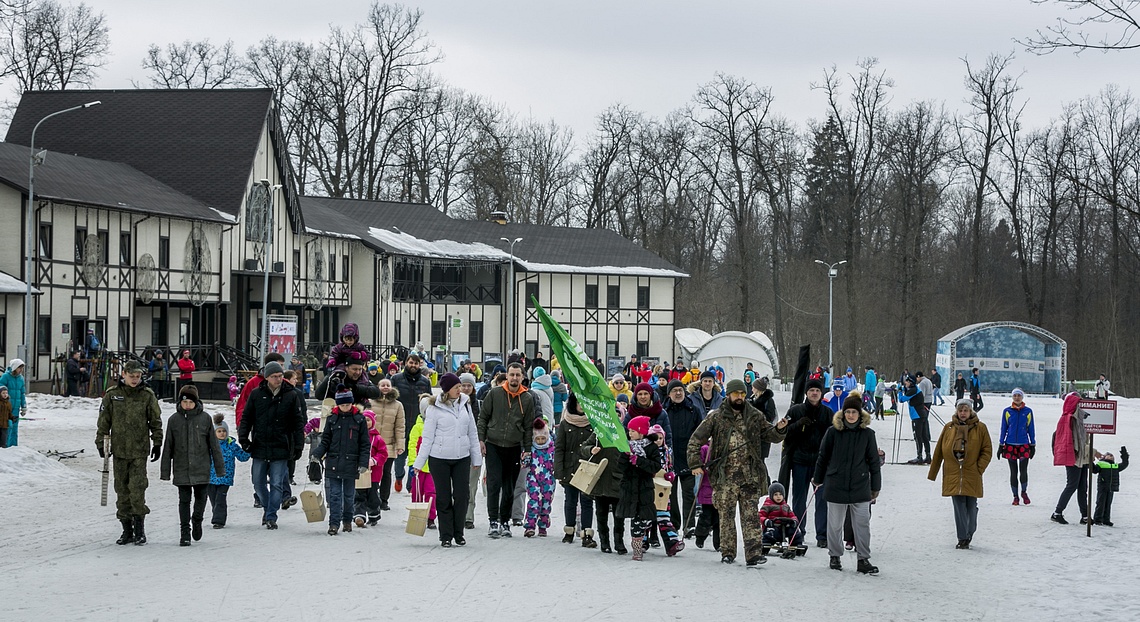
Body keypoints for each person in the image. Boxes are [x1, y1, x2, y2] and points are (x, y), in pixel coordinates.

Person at [688, 378, 788, 565]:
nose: (740, 397)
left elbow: (770, 435)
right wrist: (695, 464)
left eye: (743, 393)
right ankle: (728, 552)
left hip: (749, 476)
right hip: (724, 477)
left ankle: (753, 554)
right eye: (736, 393)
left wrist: (781, 429)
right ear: (729, 394)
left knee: (750, 516)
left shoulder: (755, 415)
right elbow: (695, 440)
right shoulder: (716, 417)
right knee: (726, 517)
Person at [95, 360, 164, 545]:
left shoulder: (147, 395)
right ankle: (126, 529)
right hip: (119, 450)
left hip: (139, 451)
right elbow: (104, 421)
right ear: (123, 374)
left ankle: (140, 529)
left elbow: (155, 420)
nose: (135, 380)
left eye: (138, 376)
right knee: (121, 490)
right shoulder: (112, 395)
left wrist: (157, 442)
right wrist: (101, 442)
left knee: (137, 489)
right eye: (131, 376)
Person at [813, 393, 881, 574]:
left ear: (860, 414)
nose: (851, 415)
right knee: (834, 524)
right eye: (848, 411)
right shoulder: (833, 432)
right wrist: (818, 479)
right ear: (843, 413)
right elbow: (823, 457)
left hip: (860, 485)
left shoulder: (868, 434)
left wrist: (876, 486)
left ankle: (863, 559)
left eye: (854, 412)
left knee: (862, 524)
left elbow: (874, 461)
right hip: (836, 484)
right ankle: (834, 556)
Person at [413, 373, 482, 547]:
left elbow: (472, 433)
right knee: (443, 498)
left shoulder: (465, 404)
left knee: (462, 496)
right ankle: (445, 535)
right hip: (439, 458)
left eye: (460, 386)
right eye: (456, 387)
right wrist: (419, 463)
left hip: (462, 457)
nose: (460, 389)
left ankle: (459, 533)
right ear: (447, 390)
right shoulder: (434, 408)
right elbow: (427, 438)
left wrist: (476, 459)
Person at [238, 361, 306, 530]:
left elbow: (298, 423)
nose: (278, 379)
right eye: (275, 376)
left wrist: (298, 446)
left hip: (281, 446)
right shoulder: (256, 394)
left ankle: (271, 515)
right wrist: (243, 438)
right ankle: (268, 507)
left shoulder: (291, 395)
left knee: (276, 483)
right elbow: (247, 418)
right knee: (257, 482)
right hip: (260, 444)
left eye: (281, 376)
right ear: (267, 377)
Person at [160, 385, 225, 546]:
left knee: (201, 498)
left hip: (201, 466)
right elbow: (168, 446)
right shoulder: (174, 420)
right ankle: (185, 531)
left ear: (196, 402)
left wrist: (219, 467)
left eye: (191, 402)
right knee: (184, 500)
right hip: (182, 467)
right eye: (185, 402)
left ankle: (197, 519)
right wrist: (165, 471)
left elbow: (214, 445)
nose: (187, 405)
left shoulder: (205, 418)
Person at [477, 363, 537, 538]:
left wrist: (527, 449)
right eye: (512, 375)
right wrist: (481, 439)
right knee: (494, 483)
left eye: (518, 375)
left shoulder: (527, 398)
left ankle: (505, 520)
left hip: (514, 447)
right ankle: (493, 520)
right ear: (507, 376)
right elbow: (483, 418)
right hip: (493, 444)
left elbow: (528, 426)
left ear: (523, 377)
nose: (514, 378)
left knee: (509, 487)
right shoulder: (495, 394)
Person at [928, 398, 992, 549]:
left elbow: (987, 450)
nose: (963, 413)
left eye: (966, 410)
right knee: (958, 506)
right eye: (960, 410)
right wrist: (933, 472)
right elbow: (939, 451)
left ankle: (969, 532)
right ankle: (962, 538)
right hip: (953, 472)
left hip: (971, 472)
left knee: (971, 506)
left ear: (971, 412)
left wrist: (979, 468)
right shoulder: (949, 428)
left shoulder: (980, 428)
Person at [311, 386, 371, 535]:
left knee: (349, 495)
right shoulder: (332, 419)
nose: (346, 407)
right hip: (334, 462)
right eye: (343, 405)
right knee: (335, 495)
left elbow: (364, 444)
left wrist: (363, 463)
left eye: (348, 404)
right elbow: (325, 441)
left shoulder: (359, 419)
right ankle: (334, 523)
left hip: (352, 463)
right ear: (338, 405)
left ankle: (347, 520)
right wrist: (317, 454)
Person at [781, 377, 832, 547]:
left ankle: (822, 535)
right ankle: (798, 531)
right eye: (811, 390)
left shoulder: (828, 413)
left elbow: (833, 437)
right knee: (799, 498)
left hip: (820, 463)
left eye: (817, 391)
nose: (815, 393)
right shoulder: (795, 411)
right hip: (799, 461)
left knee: (822, 499)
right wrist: (797, 425)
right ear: (806, 393)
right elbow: (783, 432)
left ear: (821, 393)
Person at [618, 416, 674, 561]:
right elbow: (620, 467)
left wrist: (639, 461)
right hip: (630, 488)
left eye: (633, 431)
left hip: (645, 488)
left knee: (644, 519)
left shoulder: (651, 447)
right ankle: (637, 550)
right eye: (629, 431)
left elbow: (655, 466)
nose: (630, 433)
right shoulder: (627, 446)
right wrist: (625, 457)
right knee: (635, 521)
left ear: (641, 431)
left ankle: (643, 539)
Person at [1051, 392, 1102, 525]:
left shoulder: (1080, 418)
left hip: (1083, 458)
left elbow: (1084, 441)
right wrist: (1094, 452)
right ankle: (1057, 512)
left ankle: (1085, 516)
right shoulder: (1070, 420)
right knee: (1072, 485)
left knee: (1082, 487)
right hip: (1073, 457)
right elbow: (1076, 444)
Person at [554, 392, 597, 548]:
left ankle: (586, 533)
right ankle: (569, 530)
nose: (581, 406)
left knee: (587, 501)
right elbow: (559, 448)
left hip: (587, 468)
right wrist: (558, 470)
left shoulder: (593, 423)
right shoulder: (566, 423)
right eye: (578, 402)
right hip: (569, 468)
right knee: (570, 501)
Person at [580, 423, 628, 554]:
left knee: (619, 516)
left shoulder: (623, 432)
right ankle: (604, 542)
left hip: (617, 480)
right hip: (600, 480)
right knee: (601, 514)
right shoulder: (599, 432)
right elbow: (583, 447)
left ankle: (619, 542)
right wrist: (591, 449)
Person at [665, 379, 704, 536]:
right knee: (671, 495)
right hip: (670, 459)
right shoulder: (664, 411)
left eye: (680, 390)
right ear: (669, 394)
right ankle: (674, 524)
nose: (678, 393)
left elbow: (701, 433)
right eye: (674, 391)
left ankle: (689, 525)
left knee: (689, 493)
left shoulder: (693, 410)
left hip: (689, 458)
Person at [390, 353, 432, 491]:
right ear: (405, 363)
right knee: (400, 454)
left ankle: (411, 483)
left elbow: (429, 402)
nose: (413, 365)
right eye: (411, 363)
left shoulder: (425, 382)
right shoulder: (396, 379)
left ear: (420, 364)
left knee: (415, 453)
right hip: (400, 423)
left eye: (416, 363)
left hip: (418, 423)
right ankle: (399, 477)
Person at [207, 414, 249, 529]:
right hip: (210, 478)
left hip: (225, 478)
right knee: (214, 499)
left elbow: (243, 457)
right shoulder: (210, 446)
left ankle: (218, 521)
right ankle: (217, 515)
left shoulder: (232, 445)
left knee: (220, 499)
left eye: (224, 431)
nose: (222, 433)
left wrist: (249, 449)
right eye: (219, 431)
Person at [370, 378, 405, 511]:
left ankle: (384, 500)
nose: (385, 387)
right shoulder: (371, 402)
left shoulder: (398, 405)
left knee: (386, 472)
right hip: (372, 444)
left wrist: (400, 444)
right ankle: (372, 497)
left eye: (387, 385)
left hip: (388, 445)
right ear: (378, 387)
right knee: (372, 473)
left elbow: (400, 426)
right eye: (382, 385)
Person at [999, 388, 1036, 506]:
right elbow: (1003, 428)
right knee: (1013, 471)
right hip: (1010, 445)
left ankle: (1024, 492)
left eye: (1018, 396)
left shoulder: (1028, 411)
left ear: (1022, 397)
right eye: (1014, 396)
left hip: (1024, 444)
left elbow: (1031, 428)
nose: (1016, 398)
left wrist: (1033, 444)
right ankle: (1015, 496)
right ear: (1012, 397)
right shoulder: (1007, 411)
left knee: (1023, 471)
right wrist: (1001, 444)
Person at [523, 418, 556, 537]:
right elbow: (524, 462)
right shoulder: (531, 449)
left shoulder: (552, 448)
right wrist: (524, 460)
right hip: (533, 478)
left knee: (546, 503)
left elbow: (556, 463)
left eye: (543, 438)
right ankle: (530, 526)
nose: (541, 441)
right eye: (538, 439)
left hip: (548, 480)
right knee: (534, 501)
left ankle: (543, 525)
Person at [406, 409, 438, 530]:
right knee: (417, 493)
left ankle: (431, 518)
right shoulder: (417, 427)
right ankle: (417, 517)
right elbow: (412, 445)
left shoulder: (437, 425)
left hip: (432, 468)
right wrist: (412, 463)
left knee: (431, 494)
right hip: (418, 468)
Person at [758, 482, 802, 553]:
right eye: (776, 495)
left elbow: (792, 515)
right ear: (771, 496)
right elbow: (760, 515)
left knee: (795, 532)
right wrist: (767, 521)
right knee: (770, 534)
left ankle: (797, 545)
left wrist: (794, 521)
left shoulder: (786, 506)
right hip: (773, 526)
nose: (778, 497)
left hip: (785, 528)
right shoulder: (768, 505)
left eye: (780, 494)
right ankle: (765, 545)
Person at [626, 382, 672, 447]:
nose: (643, 397)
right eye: (640, 394)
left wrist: (668, 453)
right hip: (635, 453)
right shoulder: (630, 413)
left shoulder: (661, 413)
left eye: (646, 394)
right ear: (636, 396)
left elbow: (668, 437)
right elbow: (624, 435)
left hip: (657, 453)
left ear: (651, 395)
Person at [899, 375, 931, 464]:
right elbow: (909, 394)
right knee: (924, 436)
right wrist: (904, 390)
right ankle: (928, 456)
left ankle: (919, 457)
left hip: (917, 416)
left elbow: (902, 399)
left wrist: (899, 392)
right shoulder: (915, 389)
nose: (905, 383)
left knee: (918, 436)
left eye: (907, 382)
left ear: (911, 382)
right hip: (922, 415)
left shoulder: (913, 390)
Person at [1092, 447, 1128, 526]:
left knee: (1108, 504)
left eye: (1112, 455)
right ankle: (1097, 519)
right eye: (1108, 455)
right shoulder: (1101, 464)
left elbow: (1125, 464)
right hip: (1103, 487)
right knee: (1100, 503)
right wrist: (1091, 462)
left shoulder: (1115, 465)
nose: (1111, 456)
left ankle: (1106, 519)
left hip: (1111, 487)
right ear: (1104, 457)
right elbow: (1094, 470)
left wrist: (1124, 455)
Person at [692, 444, 719, 550]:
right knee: (706, 517)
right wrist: (703, 466)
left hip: (719, 489)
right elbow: (699, 464)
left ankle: (718, 543)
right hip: (707, 488)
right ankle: (700, 536)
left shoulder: (722, 448)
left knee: (718, 518)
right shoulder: (705, 449)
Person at [0, 359, 27, 447]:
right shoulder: (5, 377)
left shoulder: (21, 378)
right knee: (8, 427)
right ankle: (5, 446)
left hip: (16, 407)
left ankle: (14, 446)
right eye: (20, 368)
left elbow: (22, 393)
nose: (21, 370)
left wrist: (23, 406)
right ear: (14, 368)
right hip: (6, 407)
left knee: (15, 428)